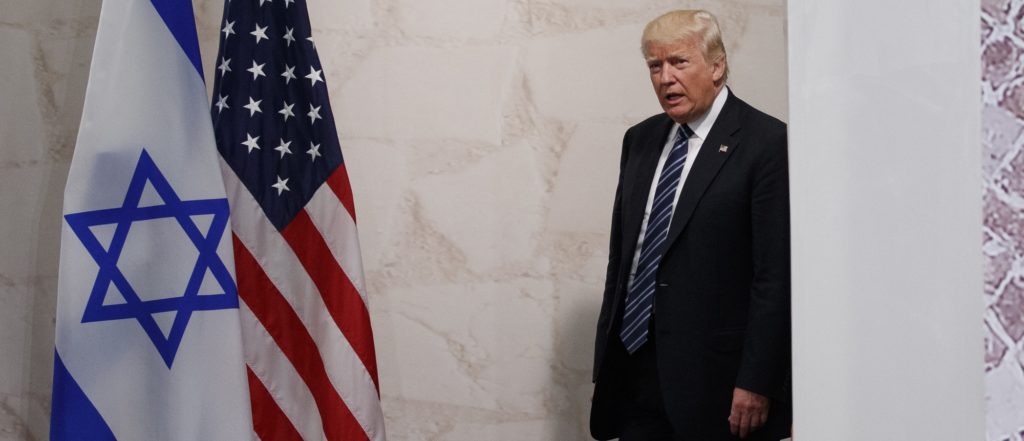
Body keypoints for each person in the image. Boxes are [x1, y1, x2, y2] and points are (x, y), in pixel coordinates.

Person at [590, 10, 791, 441]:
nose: (665, 78)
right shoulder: (639, 140)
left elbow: (774, 277)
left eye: (679, 62)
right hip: (634, 373)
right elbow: (624, 256)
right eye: (654, 66)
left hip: (718, 386)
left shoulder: (767, 143)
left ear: (716, 66)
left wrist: (758, 380)